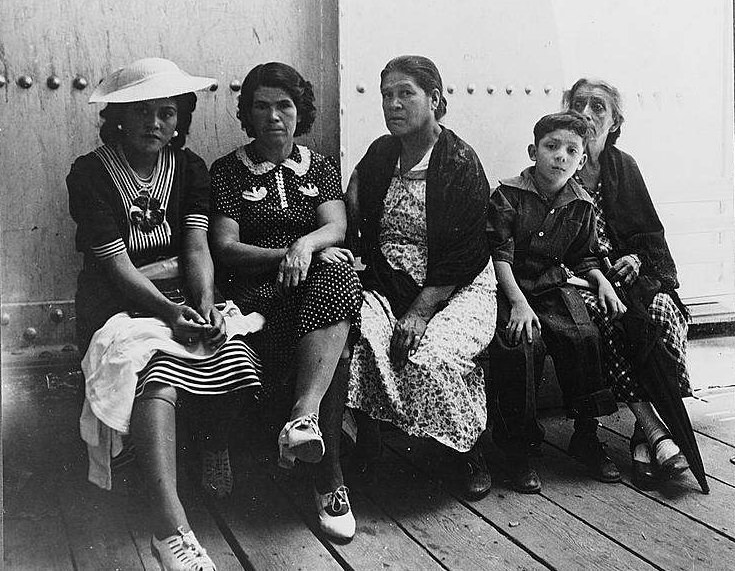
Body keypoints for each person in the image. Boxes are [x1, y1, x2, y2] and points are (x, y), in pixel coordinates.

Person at [69, 57, 264, 571]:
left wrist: (202, 304)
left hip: (181, 296)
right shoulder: (90, 173)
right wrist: (169, 311)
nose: (156, 124)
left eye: (168, 113)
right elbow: (114, 266)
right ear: (118, 117)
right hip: (118, 305)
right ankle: (169, 529)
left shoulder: (189, 169)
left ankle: (212, 444)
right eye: (143, 113)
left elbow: (197, 248)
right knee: (157, 370)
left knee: (230, 346)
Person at [209, 62, 362, 542]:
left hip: (311, 290)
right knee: (331, 340)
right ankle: (329, 482)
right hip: (253, 292)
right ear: (247, 114)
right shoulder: (229, 171)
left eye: (284, 105)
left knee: (336, 267)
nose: (274, 116)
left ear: (301, 112)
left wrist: (305, 246)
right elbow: (225, 246)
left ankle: (303, 417)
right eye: (261, 106)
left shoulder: (317, 167)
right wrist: (285, 253)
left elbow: (335, 227)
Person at [345, 55, 497, 501]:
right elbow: (359, 206)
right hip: (388, 280)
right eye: (387, 95)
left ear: (434, 99)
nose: (393, 104)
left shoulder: (460, 162)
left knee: (430, 355)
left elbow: (465, 253)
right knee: (363, 339)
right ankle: (365, 449)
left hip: (455, 286)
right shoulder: (380, 153)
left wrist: (419, 312)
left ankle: (466, 448)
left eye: (405, 93)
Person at [487, 111, 624, 494]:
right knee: (521, 343)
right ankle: (519, 449)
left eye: (571, 150)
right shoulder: (508, 194)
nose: (560, 156)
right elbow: (500, 254)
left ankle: (585, 434)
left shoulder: (581, 203)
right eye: (551, 147)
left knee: (583, 334)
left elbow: (586, 255)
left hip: (551, 285)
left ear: (581, 160)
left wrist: (602, 282)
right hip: (510, 287)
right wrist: (516, 301)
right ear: (534, 151)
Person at [564, 77, 691, 489]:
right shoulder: (560, 160)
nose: (586, 113)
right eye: (578, 104)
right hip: (581, 280)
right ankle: (657, 435)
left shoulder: (625, 167)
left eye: (598, 107)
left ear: (614, 121)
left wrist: (636, 258)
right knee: (607, 317)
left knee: (665, 313)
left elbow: (651, 237)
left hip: (628, 278)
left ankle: (644, 435)